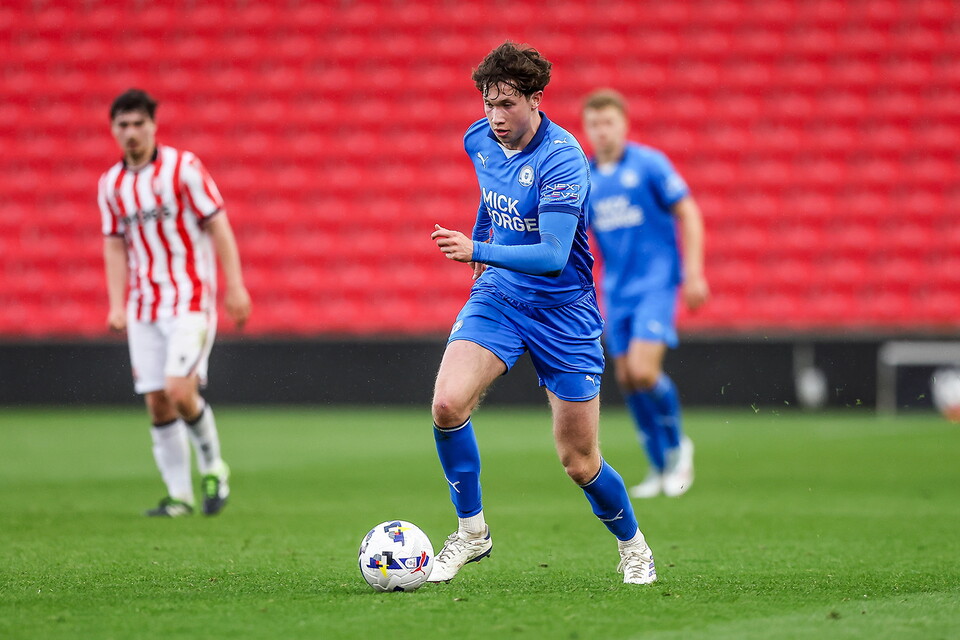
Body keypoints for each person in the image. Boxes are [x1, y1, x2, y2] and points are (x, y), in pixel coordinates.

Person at [429, 43, 656, 585]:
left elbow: (555, 256)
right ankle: (471, 534)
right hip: (502, 299)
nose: (495, 116)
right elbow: (490, 198)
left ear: (535, 100)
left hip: (564, 313)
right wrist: (483, 240)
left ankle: (633, 545)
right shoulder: (478, 140)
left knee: (579, 461)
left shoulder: (562, 158)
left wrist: (476, 250)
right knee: (446, 404)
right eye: (488, 103)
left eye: (507, 104)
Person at [98, 89, 251, 517]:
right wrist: (116, 302)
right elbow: (114, 245)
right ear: (113, 129)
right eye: (122, 125)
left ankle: (214, 466)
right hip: (143, 306)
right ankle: (179, 496)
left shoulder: (183, 169)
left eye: (138, 124)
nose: (130, 133)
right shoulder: (111, 185)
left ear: (153, 126)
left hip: (190, 298)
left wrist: (234, 285)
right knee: (156, 401)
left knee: (179, 391)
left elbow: (218, 224)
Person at [581, 89, 709, 498]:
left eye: (609, 122)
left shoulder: (649, 164)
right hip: (615, 290)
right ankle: (657, 466)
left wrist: (693, 274)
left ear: (624, 125)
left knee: (643, 371)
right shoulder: (585, 177)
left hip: (656, 282)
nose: (602, 131)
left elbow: (688, 212)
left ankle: (677, 450)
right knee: (625, 379)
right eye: (595, 124)